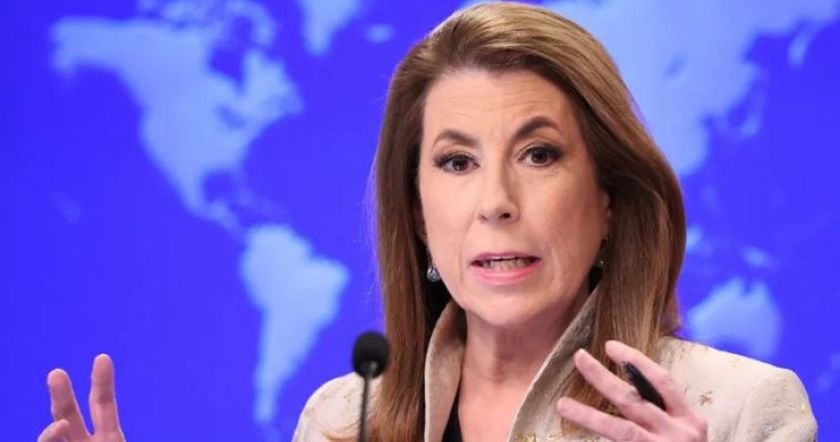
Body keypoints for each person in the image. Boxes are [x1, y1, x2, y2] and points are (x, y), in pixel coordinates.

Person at [37, 3, 816, 442]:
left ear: (609, 199)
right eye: (456, 161)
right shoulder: (343, 421)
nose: (496, 201)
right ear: (415, 212)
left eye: (539, 154)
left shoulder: (745, 410)